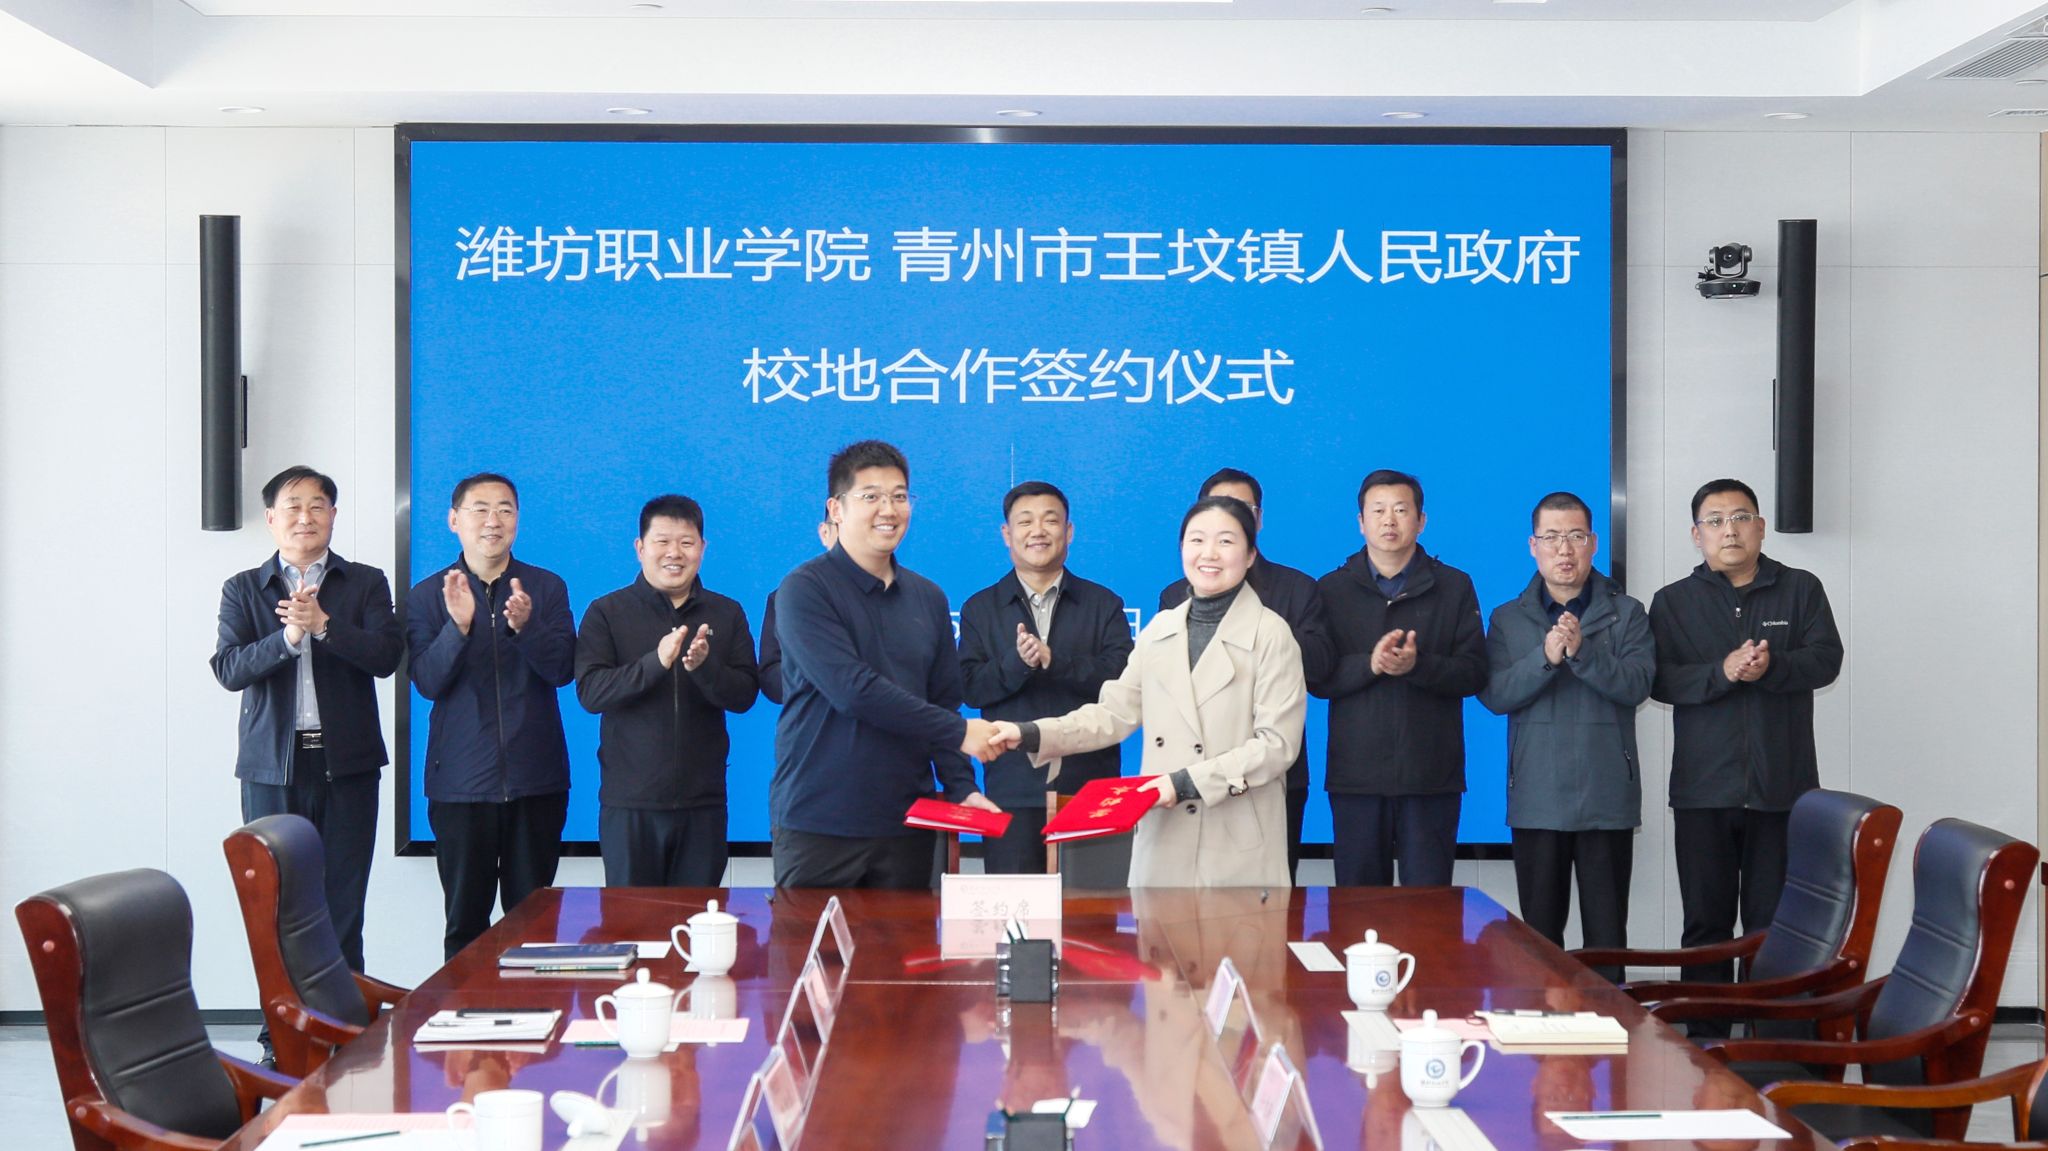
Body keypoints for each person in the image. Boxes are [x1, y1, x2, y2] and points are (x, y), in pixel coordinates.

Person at [989, 496, 1307, 887]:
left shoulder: (1271, 634)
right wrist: (1029, 733)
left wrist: (1184, 782)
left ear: (1250, 554)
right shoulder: (1161, 629)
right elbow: (1113, 713)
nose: (1209, 553)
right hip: (1164, 834)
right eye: (1197, 540)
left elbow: (1276, 746)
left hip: (1234, 839)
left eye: (1225, 541)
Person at [769, 440, 1004, 888]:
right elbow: (852, 690)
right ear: (836, 509)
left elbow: (941, 702)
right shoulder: (804, 589)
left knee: (903, 937)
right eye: (871, 496)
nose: (889, 509)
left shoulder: (928, 597)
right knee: (812, 938)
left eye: (899, 496)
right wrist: (960, 731)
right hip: (819, 821)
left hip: (907, 823)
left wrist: (962, 787)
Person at [1651, 478, 1843, 984]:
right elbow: (1659, 680)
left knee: (1776, 928)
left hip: (1782, 790)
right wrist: (1723, 672)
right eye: (1715, 521)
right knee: (1705, 926)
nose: (1729, 530)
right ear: (1697, 535)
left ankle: (1774, 1028)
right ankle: (1705, 1029)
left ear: (1760, 527)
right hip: (1702, 793)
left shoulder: (1800, 588)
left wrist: (1772, 667)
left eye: (1740, 518)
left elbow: (1827, 660)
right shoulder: (1672, 602)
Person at [211, 465, 402, 972]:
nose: (305, 517)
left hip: (349, 766)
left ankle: (345, 1017)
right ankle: (282, 1020)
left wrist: (324, 626)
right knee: (276, 905)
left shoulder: (365, 582)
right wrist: (288, 639)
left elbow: (386, 657)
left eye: (317, 506)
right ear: (271, 519)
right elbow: (229, 669)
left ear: (333, 515)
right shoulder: (243, 588)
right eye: (292, 507)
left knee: (343, 906)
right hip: (272, 770)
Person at [1478, 492, 1654, 968]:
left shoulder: (1627, 612)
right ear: (1533, 545)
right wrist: (1546, 657)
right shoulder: (1508, 618)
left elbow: (1638, 685)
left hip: (1606, 800)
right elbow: (1495, 694)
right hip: (1537, 799)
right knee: (1538, 944)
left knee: (1607, 940)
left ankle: (1610, 1016)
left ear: (1593, 543)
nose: (1564, 549)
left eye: (1575, 536)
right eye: (1552, 537)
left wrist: (1582, 652)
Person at [404, 473, 575, 959]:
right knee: (465, 926)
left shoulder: (546, 587)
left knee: (535, 928)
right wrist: (458, 627)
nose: (492, 520)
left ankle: (533, 1009)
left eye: (504, 509)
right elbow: (427, 682)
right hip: (460, 785)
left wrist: (526, 627)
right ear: (454, 519)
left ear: (517, 520)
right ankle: (466, 1012)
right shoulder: (427, 594)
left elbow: (563, 670)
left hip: (536, 781)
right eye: (479, 509)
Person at [1312, 469, 1487, 887]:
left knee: (1429, 909)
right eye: (1378, 511)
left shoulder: (1454, 586)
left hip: (1430, 777)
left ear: (1421, 520)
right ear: (1361, 522)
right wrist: (1370, 665)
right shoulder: (1331, 590)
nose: (1389, 520)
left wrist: (1418, 666)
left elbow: (1474, 672)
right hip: (1356, 778)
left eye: (1401, 510)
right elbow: (1317, 678)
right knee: (1358, 909)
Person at [1156, 468, 1332, 881]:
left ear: (1259, 519)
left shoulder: (1297, 589)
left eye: (1242, 509)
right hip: (1189, 775)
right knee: (1186, 899)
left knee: (1267, 902)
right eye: (1217, 508)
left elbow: (1321, 669)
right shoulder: (1174, 596)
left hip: (1270, 776)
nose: (1228, 517)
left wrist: (1257, 641)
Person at [576, 494, 760, 887]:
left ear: (703, 548)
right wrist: (655, 663)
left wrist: (704, 667)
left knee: (699, 921)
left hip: (703, 806)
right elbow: (591, 692)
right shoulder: (606, 612)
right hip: (630, 806)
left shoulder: (727, 612)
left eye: (686, 542)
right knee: (631, 919)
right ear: (640, 547)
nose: (674, 553)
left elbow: (745, 695)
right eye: (662, 541)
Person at [959, 481, 1134, 874]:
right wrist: (1017, 663)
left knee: (1092, 909)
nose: (1038, 531)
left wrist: (1055, 661)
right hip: (1012, 788)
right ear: (1007, 534)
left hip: (1089, 788)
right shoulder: (980, 608)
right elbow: (970, 688)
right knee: (1014, 907)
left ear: (1068, 531)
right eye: (1025, 522)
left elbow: (1122, 682)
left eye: (1050, 520)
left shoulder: (1103, 604)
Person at [758, 518, 836, 706]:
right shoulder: (788, 598)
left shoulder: (901, 595)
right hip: (814, 720)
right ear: (825, 533)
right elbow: (771, 677)